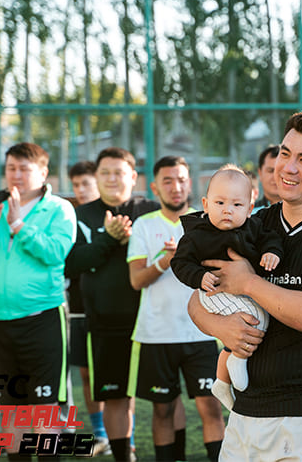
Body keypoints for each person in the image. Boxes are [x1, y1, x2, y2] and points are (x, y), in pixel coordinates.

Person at [188, 111, 302, 461]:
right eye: (285, 153)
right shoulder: (253, 223)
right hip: (247, 409)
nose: (287, 167)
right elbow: (198, 300)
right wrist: (220, 326)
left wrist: (249, 283)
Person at [0, 142, 76, 456]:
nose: (16, 175)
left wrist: (19, 225)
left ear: (43, 173)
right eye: (11, 168)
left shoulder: (59, 209)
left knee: (45, 409)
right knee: (9, 411)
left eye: (24, 168)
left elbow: (55, 253)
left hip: (42, 319)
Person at [127, 156, 224, 462]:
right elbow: (136, 280)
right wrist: (166, 260)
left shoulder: (207, 222)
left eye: (181, 179)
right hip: (157, 335)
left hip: (203, 332)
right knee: (163, 410)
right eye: (167, 181)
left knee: (211, 406)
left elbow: (223, 272)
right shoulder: (144, 225)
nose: (175, 187)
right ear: (155, 187)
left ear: (189, 183)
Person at [65, 148, 159, 462]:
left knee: (166, 400)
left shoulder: (150, 211)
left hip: (153, 321)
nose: (111, 179)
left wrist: (136, 241)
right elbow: (72, 264)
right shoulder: (79, 215)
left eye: (119, 172)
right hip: (105, 324)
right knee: (116, 397)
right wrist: (108, 238)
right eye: (104, 173)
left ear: (133, 177)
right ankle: (123, 454)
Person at [171, 165, 283, 410]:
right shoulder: (197, 235)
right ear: (206, 204)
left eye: (237, 205)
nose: (227, 210)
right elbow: (179, 263)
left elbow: (271, 239)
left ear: (250, 209)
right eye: (219, 203)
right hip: (215, 291)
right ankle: (237, 362)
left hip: (244, 291)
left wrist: (271, 252)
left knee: (258, 317)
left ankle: (222, 382)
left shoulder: (254, 227)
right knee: (255, 319)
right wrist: (199, 276)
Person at [66, 160, 110, 456]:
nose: (80, 190)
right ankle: (101, 435)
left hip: (112, 309)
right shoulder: (68, 218)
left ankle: (125, 437)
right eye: (76, 185)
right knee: (85, 374)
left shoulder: (115, 215)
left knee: (115, 375)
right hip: (78, 309)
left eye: (86, 183)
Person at [253, 145, 280, 210]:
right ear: (260, 173)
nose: (275, 177)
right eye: (271, 171)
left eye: (280, 171)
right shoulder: (249, 213)